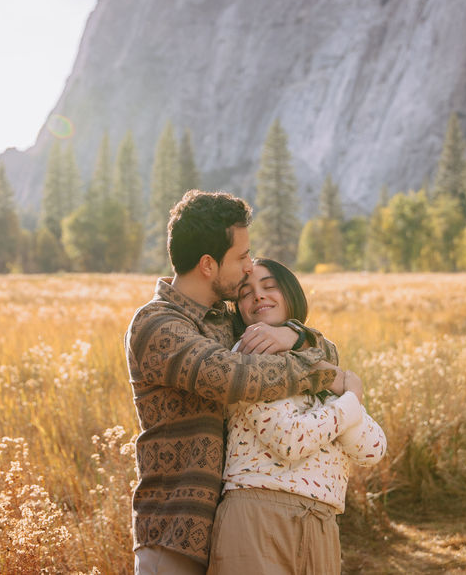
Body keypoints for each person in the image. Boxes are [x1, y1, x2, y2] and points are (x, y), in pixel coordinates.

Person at [126, 190, 342, 574]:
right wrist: (322, 369)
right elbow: (234, 378)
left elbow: (323, 351)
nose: (248, 268)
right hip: (176, 534)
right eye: (242, 257)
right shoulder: (157, 325)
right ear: (208, 264)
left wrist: (296, 336)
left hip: (236, 530)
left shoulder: (227, 320)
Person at [207, 258, 387, 575]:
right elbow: (291, 440)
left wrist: (335, 400)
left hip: (320, 522)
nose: (258, 296)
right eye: (246, 293)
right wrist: (350, 398)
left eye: (269, 286)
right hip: (259, 517)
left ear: (291, 293)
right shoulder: (249, 356)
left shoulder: (317, 361)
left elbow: (372, 449)